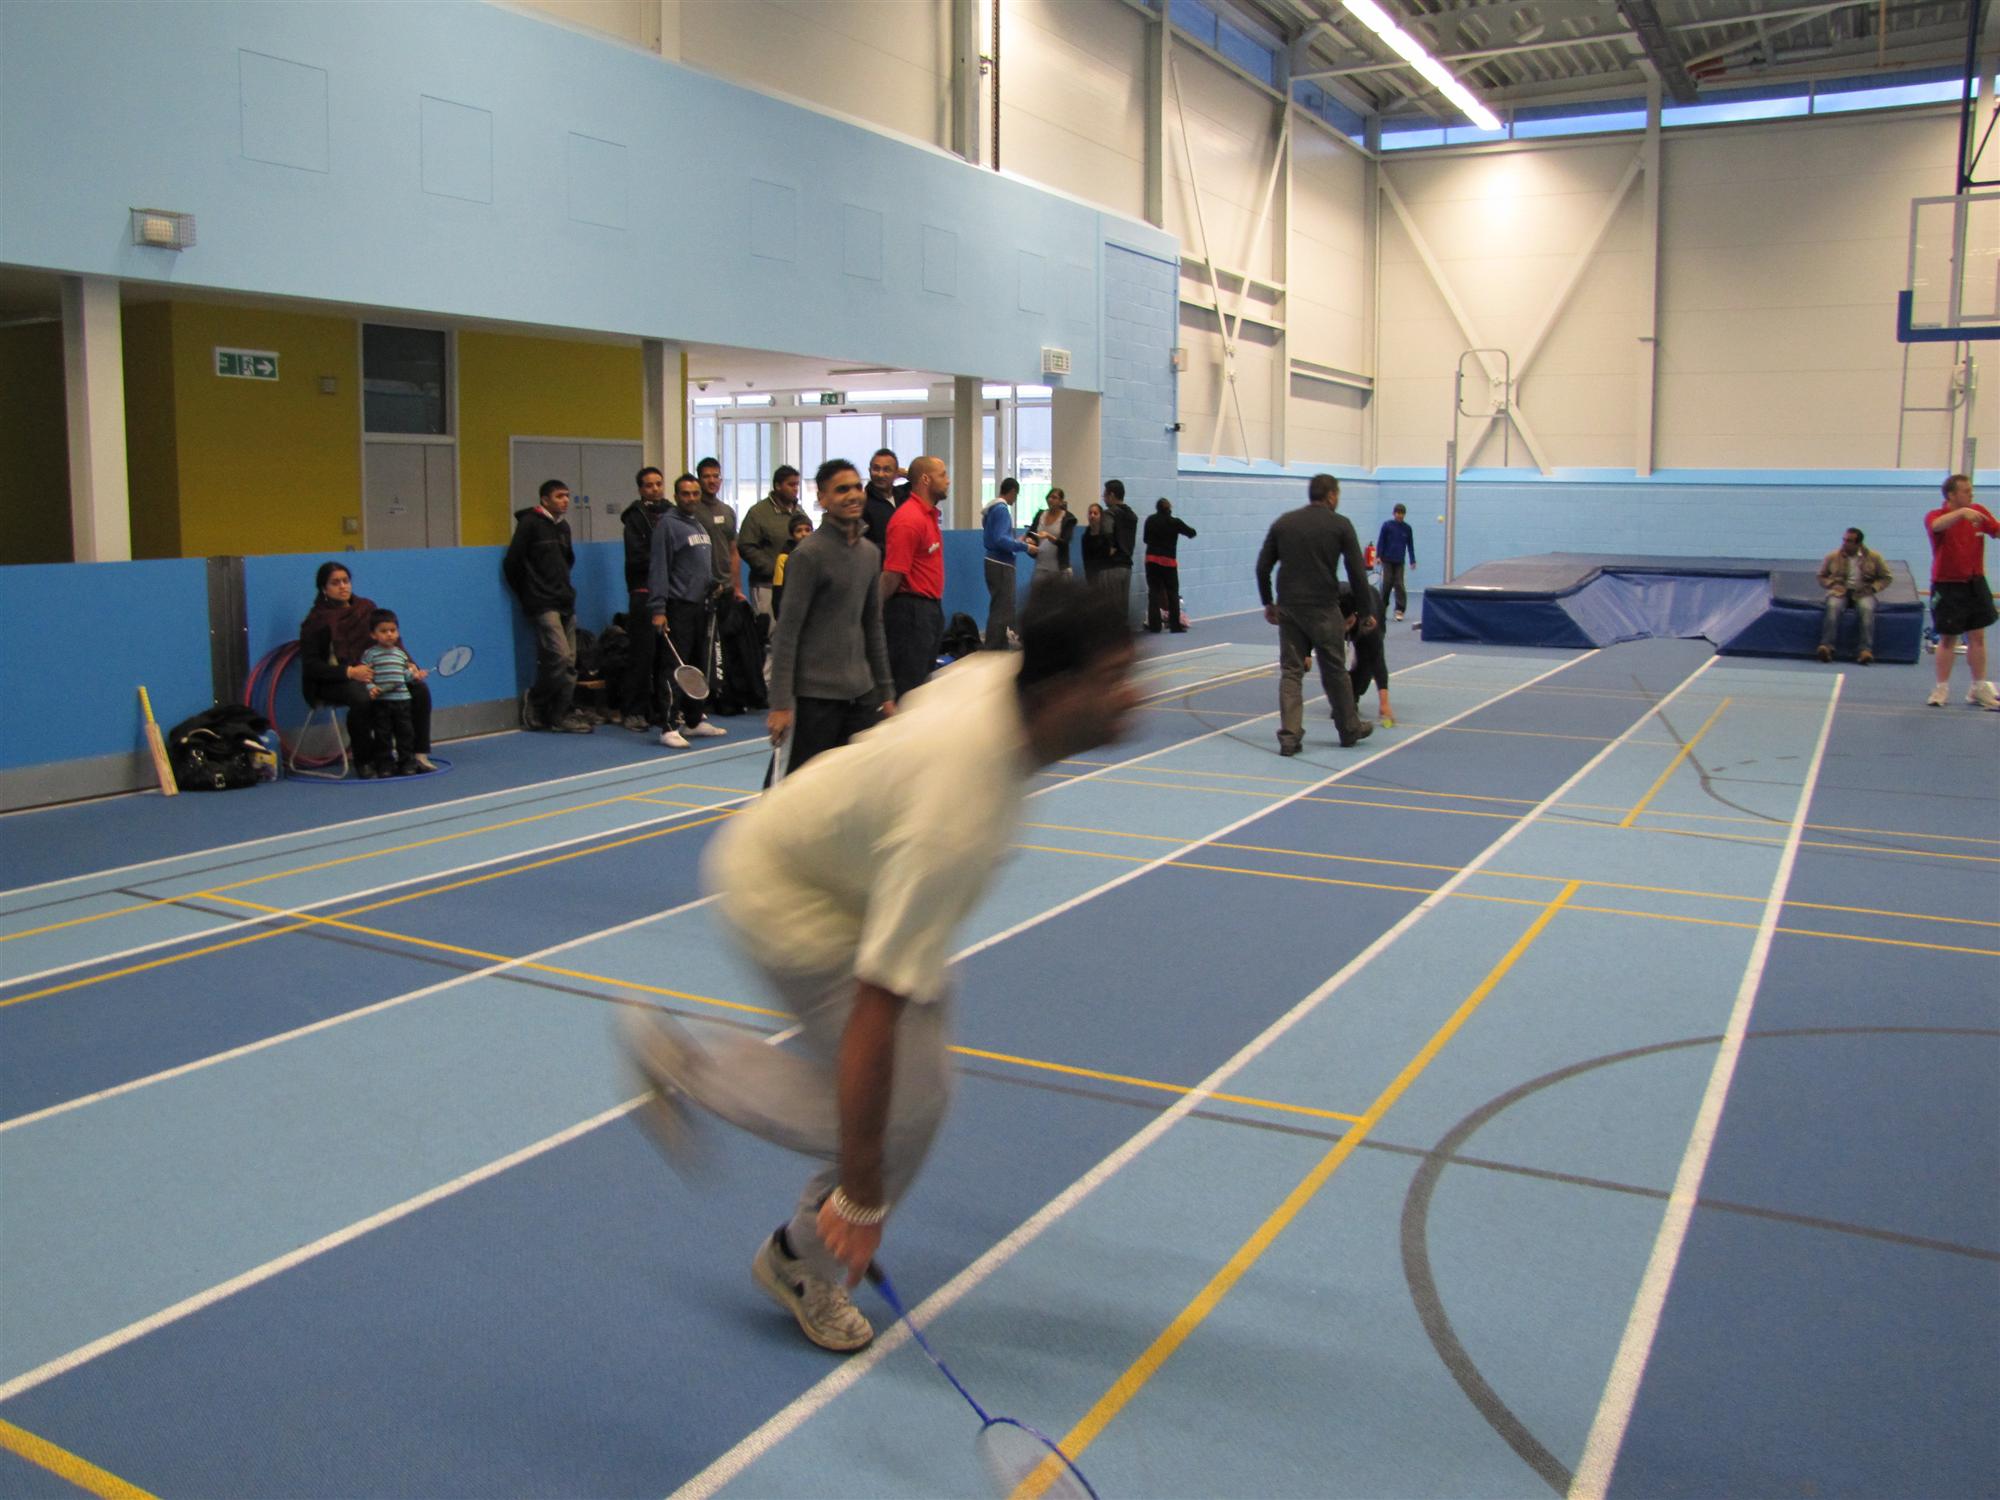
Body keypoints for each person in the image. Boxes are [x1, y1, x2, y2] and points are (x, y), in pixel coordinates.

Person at [621, 579, 1140, 1352]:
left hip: (850, 870)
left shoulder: (999, 679)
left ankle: (800, 1248)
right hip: (787, 896)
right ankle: (701, 1084)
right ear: (1060, 690)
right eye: (1113, 679)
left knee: (916, 1103)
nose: (1133, 697)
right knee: (889, 1117)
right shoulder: (959, 813)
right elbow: (876, 1009)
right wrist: (861, 1195)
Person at [764, 458, 898, 777]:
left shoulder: (869, 553)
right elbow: (786, 634)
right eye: (841, 490)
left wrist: (886, 692)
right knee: (795, 795)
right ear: (822, 498)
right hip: (815, 700)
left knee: (853, 790)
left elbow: (873, 627)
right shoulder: (808, 555)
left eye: (856, 487)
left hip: (861, 696)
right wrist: (781, 704)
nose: (852, 495)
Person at [1255, 472, 1375, 755]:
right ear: (1331, 495)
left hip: (1290, 609)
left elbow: (1262, 567)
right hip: (1323, 608)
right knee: (1334, 670)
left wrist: (1268, 602)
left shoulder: (1284, 523)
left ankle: (1289, 737)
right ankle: (1349, 729)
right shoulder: (1340, 525)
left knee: (1291, 672)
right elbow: (1357, 571)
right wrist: (1364, 610)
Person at [297, 562, 436, 776]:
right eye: (336, 583)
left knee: (419, 689)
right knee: (362, 697)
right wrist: (350, 672)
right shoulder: (315, 621)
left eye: (346, 581)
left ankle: (417, 754)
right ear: (324, 588)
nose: (343, 586)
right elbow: (311, 666)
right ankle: (365, 760)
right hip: (333, 681)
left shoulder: (367, 608)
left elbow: (393, 643)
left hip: (377, 674)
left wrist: (410, 666)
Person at [503, 479, 592, 733]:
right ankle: (537, 700)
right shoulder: (529, 524)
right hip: (542, 603)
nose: (565, 500)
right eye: (559, 496)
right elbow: (512, 563)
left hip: (565, 601)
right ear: (545, 500)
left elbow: (567, 562)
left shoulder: (563, 527)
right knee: (560, 657)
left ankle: (559, 714)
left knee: (570, 661)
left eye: (567, 495)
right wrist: (530, 594)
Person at [649, 473, 730, 748]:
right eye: (686, 494)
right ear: (676, 496)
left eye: (695, 494)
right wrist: (659, 608)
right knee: (676, 667)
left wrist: (713, 585)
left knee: (698, 663)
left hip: (701, 606)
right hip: (678, 606)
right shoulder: (667, 526)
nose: (692, 498)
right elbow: (659, 568)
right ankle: (669, 725)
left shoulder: (697, 524)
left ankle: (694, 720)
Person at [1925, 474, 2000, 708]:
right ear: (1951, 495)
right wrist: (1960, 514)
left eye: (1971, 490)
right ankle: (1941, 689)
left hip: (1975, 583)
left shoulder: (1978, 512)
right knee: (1948, 638)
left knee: (1977, 636)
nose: (1971, 494)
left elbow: (1997, 530)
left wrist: (1972, 514)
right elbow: (1937, 526)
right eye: (1966, 491)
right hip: (1947, 584)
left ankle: (1977, 688)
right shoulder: (1935, 516)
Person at [880, 455, 948, 701]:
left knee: (920, 688)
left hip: (928, 611)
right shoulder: (908, 519)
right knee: (907, 691)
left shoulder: (928, 516)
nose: (948, 481)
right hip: (910, 614)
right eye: (943, 475)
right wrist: (875, 613)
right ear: (926, 479)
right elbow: (892, 575)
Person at [619, 467, 670, 731]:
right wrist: (663, 561)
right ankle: (633, 711)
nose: (655, 489)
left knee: (666, 657)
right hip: (643, 594)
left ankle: (663, 709)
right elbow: (637, 558)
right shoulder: (634, 519)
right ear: (641, 489)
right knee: (642, 655)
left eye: (658, 484)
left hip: (671, 594)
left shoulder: (673, 513)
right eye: (649, 485)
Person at [739, 465, 807, 626]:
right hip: (766, 585)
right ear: (777, 486)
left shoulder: (799, 512)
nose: (795, 489)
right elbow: (746, 545)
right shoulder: (758, 513)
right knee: (769, 633)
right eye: (791, 485)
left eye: (797, 484)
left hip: (794, 586)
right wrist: (773, 569)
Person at [1815, 526, 1892, 665]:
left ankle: (1865, 650)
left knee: (1867, 610)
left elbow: (1886, 577)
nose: (1845, 543)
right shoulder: (1832, 556)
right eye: (1844, 540)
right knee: (1832, 607)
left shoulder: (1874, 557)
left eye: (1849, 541)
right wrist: (1831, 584)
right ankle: (1826, 647)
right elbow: (1821, 576)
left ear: (1859, 543)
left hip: (1863, 592)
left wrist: (1874, 588)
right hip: (1840, 591)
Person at [360, 610, 423, 776]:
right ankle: (385, 765)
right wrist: (370, 688)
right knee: (382, 735)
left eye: (393, 630)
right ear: (373, 635)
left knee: (405, 734)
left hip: (402, 701)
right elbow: (366, 677)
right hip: (382, 703)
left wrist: (415, 675)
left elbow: (405, 676)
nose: (389, 634)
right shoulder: (370, 655)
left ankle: (407, 763)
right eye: (383, 631)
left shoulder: (401, 655)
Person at [981, 476, 1031, 649]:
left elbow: (996, 537)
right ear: (1012, 492)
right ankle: (994, 648)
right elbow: (1002, 540)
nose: (1015, 500)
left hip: (991, 561)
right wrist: (1025, 547)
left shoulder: (991, 509)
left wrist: (1015, 540)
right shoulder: (1002, 509)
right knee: (1003, 608)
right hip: (1002, 564)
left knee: (998, 606)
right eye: (1016, 496)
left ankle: (998, 644)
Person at [1343, 580, 1393, 728]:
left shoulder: (1370, 622)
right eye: (1342, 624)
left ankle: (1355, 693)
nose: (1345, 628)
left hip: (1371, 607)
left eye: (1348, 623)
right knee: (1333, 661)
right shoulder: (1329, 610)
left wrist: (1384, 703)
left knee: (1366, 661)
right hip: (1338, 605)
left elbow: (1378, 660)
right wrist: (1306, 652)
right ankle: (1343, 700)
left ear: (1355, 616)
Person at [1142, 497, 1197, 633]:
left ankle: (1154, 625)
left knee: (1153, 592)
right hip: (1168, 561)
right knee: (1172, 593)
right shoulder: (1174, 522)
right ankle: (1175, 625)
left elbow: (1145, 539)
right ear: (1169, 509)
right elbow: (1191, 533)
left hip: (1152, 560)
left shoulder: (1150, 520)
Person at [694, 457, 743, 599]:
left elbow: (733, 551)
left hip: (726, 586)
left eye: (716, 476)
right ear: (699, 480)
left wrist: (737, 587)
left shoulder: (728, 511)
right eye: (706, 476)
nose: (712, 481)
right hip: (699, 587)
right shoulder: (692, 510)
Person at [1100, 480, 1139, 612]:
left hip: (1113, 564)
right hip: (1126, 565)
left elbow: (1107, 532)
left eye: (1104, 494)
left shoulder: (1109, 513)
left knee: (1110, 606)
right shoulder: (1132, 515)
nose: (1103, 497)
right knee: (1123, 607)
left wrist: (1109, 546)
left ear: (1111, 495)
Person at [1026, 487, 1075, 587]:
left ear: (1061, 501)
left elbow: (1065, 543)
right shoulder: (1040, 515)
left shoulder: (1068, 519)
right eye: (1049, 497)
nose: (1050, 500)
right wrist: (1030, 540)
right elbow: (1031, 533)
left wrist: (1049, 536)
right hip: (1041, 566)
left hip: (1060, 569)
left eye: (1054, 497)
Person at [1376, 503, 1417, 621]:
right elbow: (1381, 541)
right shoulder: (1387, 526)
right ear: (1394, 514)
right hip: (1387, 560)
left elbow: (1410, 545)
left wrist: (1412, 560)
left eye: (1401, 513)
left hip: (1399, 561)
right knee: (1387, 584)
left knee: (1399, 584)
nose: (1399, 515)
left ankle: (1400, 610)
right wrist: (1378, 556)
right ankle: (1381, 609)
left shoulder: (1407, 529)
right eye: (1397, 513)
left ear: (1404, 515)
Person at [860, 448, 903, 560]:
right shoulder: (863, 502)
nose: (880, 474)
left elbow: (923, 481)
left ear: (896, 473)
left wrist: (905, 473)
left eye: (887, 470)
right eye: (876, 469)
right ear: (869, 471)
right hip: (878, 569)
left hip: (906, 569)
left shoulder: (903, 494)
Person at [770, 511, 814, 621]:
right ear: (792, 534)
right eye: (799, 531)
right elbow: (778, 590)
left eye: (808, 530)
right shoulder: (784, 558)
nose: (804, 534)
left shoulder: (818, 554)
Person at [1080, 501, 1114, 585]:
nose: (1092, 516)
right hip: (1090, 574)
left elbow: (1109, 557)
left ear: (1101, 516)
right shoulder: (1085, 536)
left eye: (1095, 513)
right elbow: (1085, 559)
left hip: (1104, 575)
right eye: (1090, 513)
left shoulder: (1107, 536)